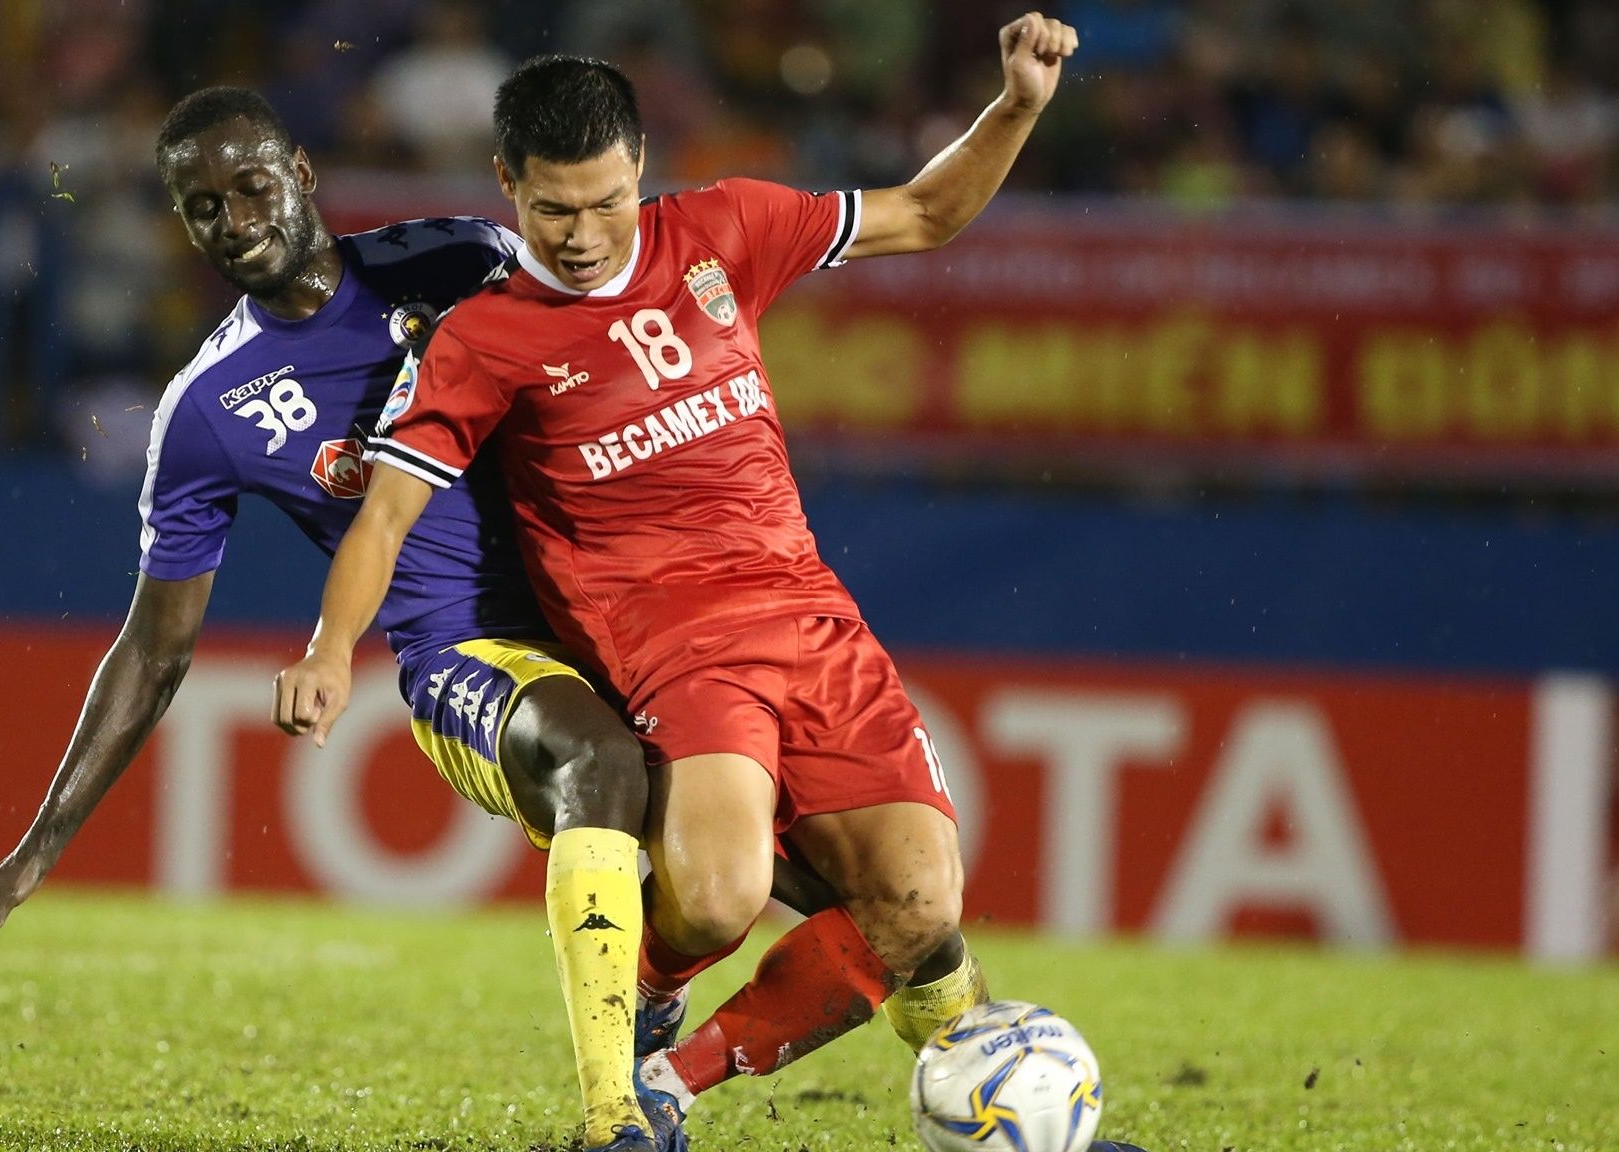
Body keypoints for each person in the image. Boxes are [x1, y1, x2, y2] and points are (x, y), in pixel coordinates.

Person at [273, 10, 1076, 1138]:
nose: (583, 235)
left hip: (813, 621)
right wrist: (326, 651)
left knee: (915, 908)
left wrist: (1016, 107)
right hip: (675, 651)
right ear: (507, 183)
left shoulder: (726, 227)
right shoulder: (483, 339)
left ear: (640, 163)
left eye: (606, 202)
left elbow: (925, 212)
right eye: (552, 210)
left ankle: (666, 1081)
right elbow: (388, 512)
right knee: (714, 900)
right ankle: (648, 986)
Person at [0, 86, 676, 1152]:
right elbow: (155, 647)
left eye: (252, 187)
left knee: (794, 852)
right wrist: (33, 854)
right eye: (203, 207)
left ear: (302, 174)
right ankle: (614, 1120)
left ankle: (692, 1006)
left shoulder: (461, 258)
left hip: (612, 611)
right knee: (600, 764)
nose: (235, 221)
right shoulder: (207, 409)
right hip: (466, 653)